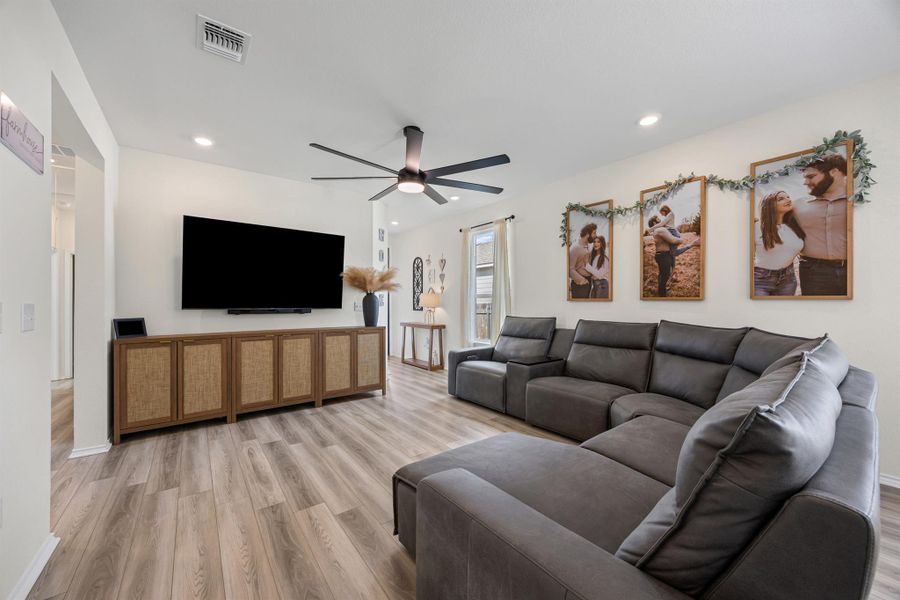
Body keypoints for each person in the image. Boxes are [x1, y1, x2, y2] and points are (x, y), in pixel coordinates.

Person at [791, 153, 849, 296]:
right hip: (813, 273)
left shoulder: (858, 202)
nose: (805, 182)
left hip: (856, 269)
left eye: (811, 177)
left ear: (834, 172)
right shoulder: (797, 205)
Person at [754, 191, 806, 296]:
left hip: (788, 279)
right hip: (760, 279)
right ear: (768, 205)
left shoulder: (795, 226)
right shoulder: (756, 228)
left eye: (788, 197)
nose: (788, 200)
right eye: (781, 199)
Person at [645, 214, 698, 297]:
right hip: (663, 256)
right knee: (665, 276)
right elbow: (673, 240)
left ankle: (662, 289)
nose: (661, 219)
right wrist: (681, 239)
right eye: (658, 218)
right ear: (655, 222)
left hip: (662, 255)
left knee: (662, 275)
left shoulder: (658, 230)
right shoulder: (659, 230)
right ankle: (662, 295)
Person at [568, 222, 596, 299]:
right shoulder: (575, 248)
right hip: (580, 284)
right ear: (587, 234)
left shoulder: (588, 245)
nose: (595, 235)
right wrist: (583, 281)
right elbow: (570, 268)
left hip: (588, 282)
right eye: (594, 233)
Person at [585, 234, 610, 298]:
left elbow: (599, 275)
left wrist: (587, 265)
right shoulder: (595, 257)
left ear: (602, 244)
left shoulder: (604, 259)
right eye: (594, 242)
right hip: (595, 285)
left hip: (602, 286)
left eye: (598, 242)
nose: (596, 243)